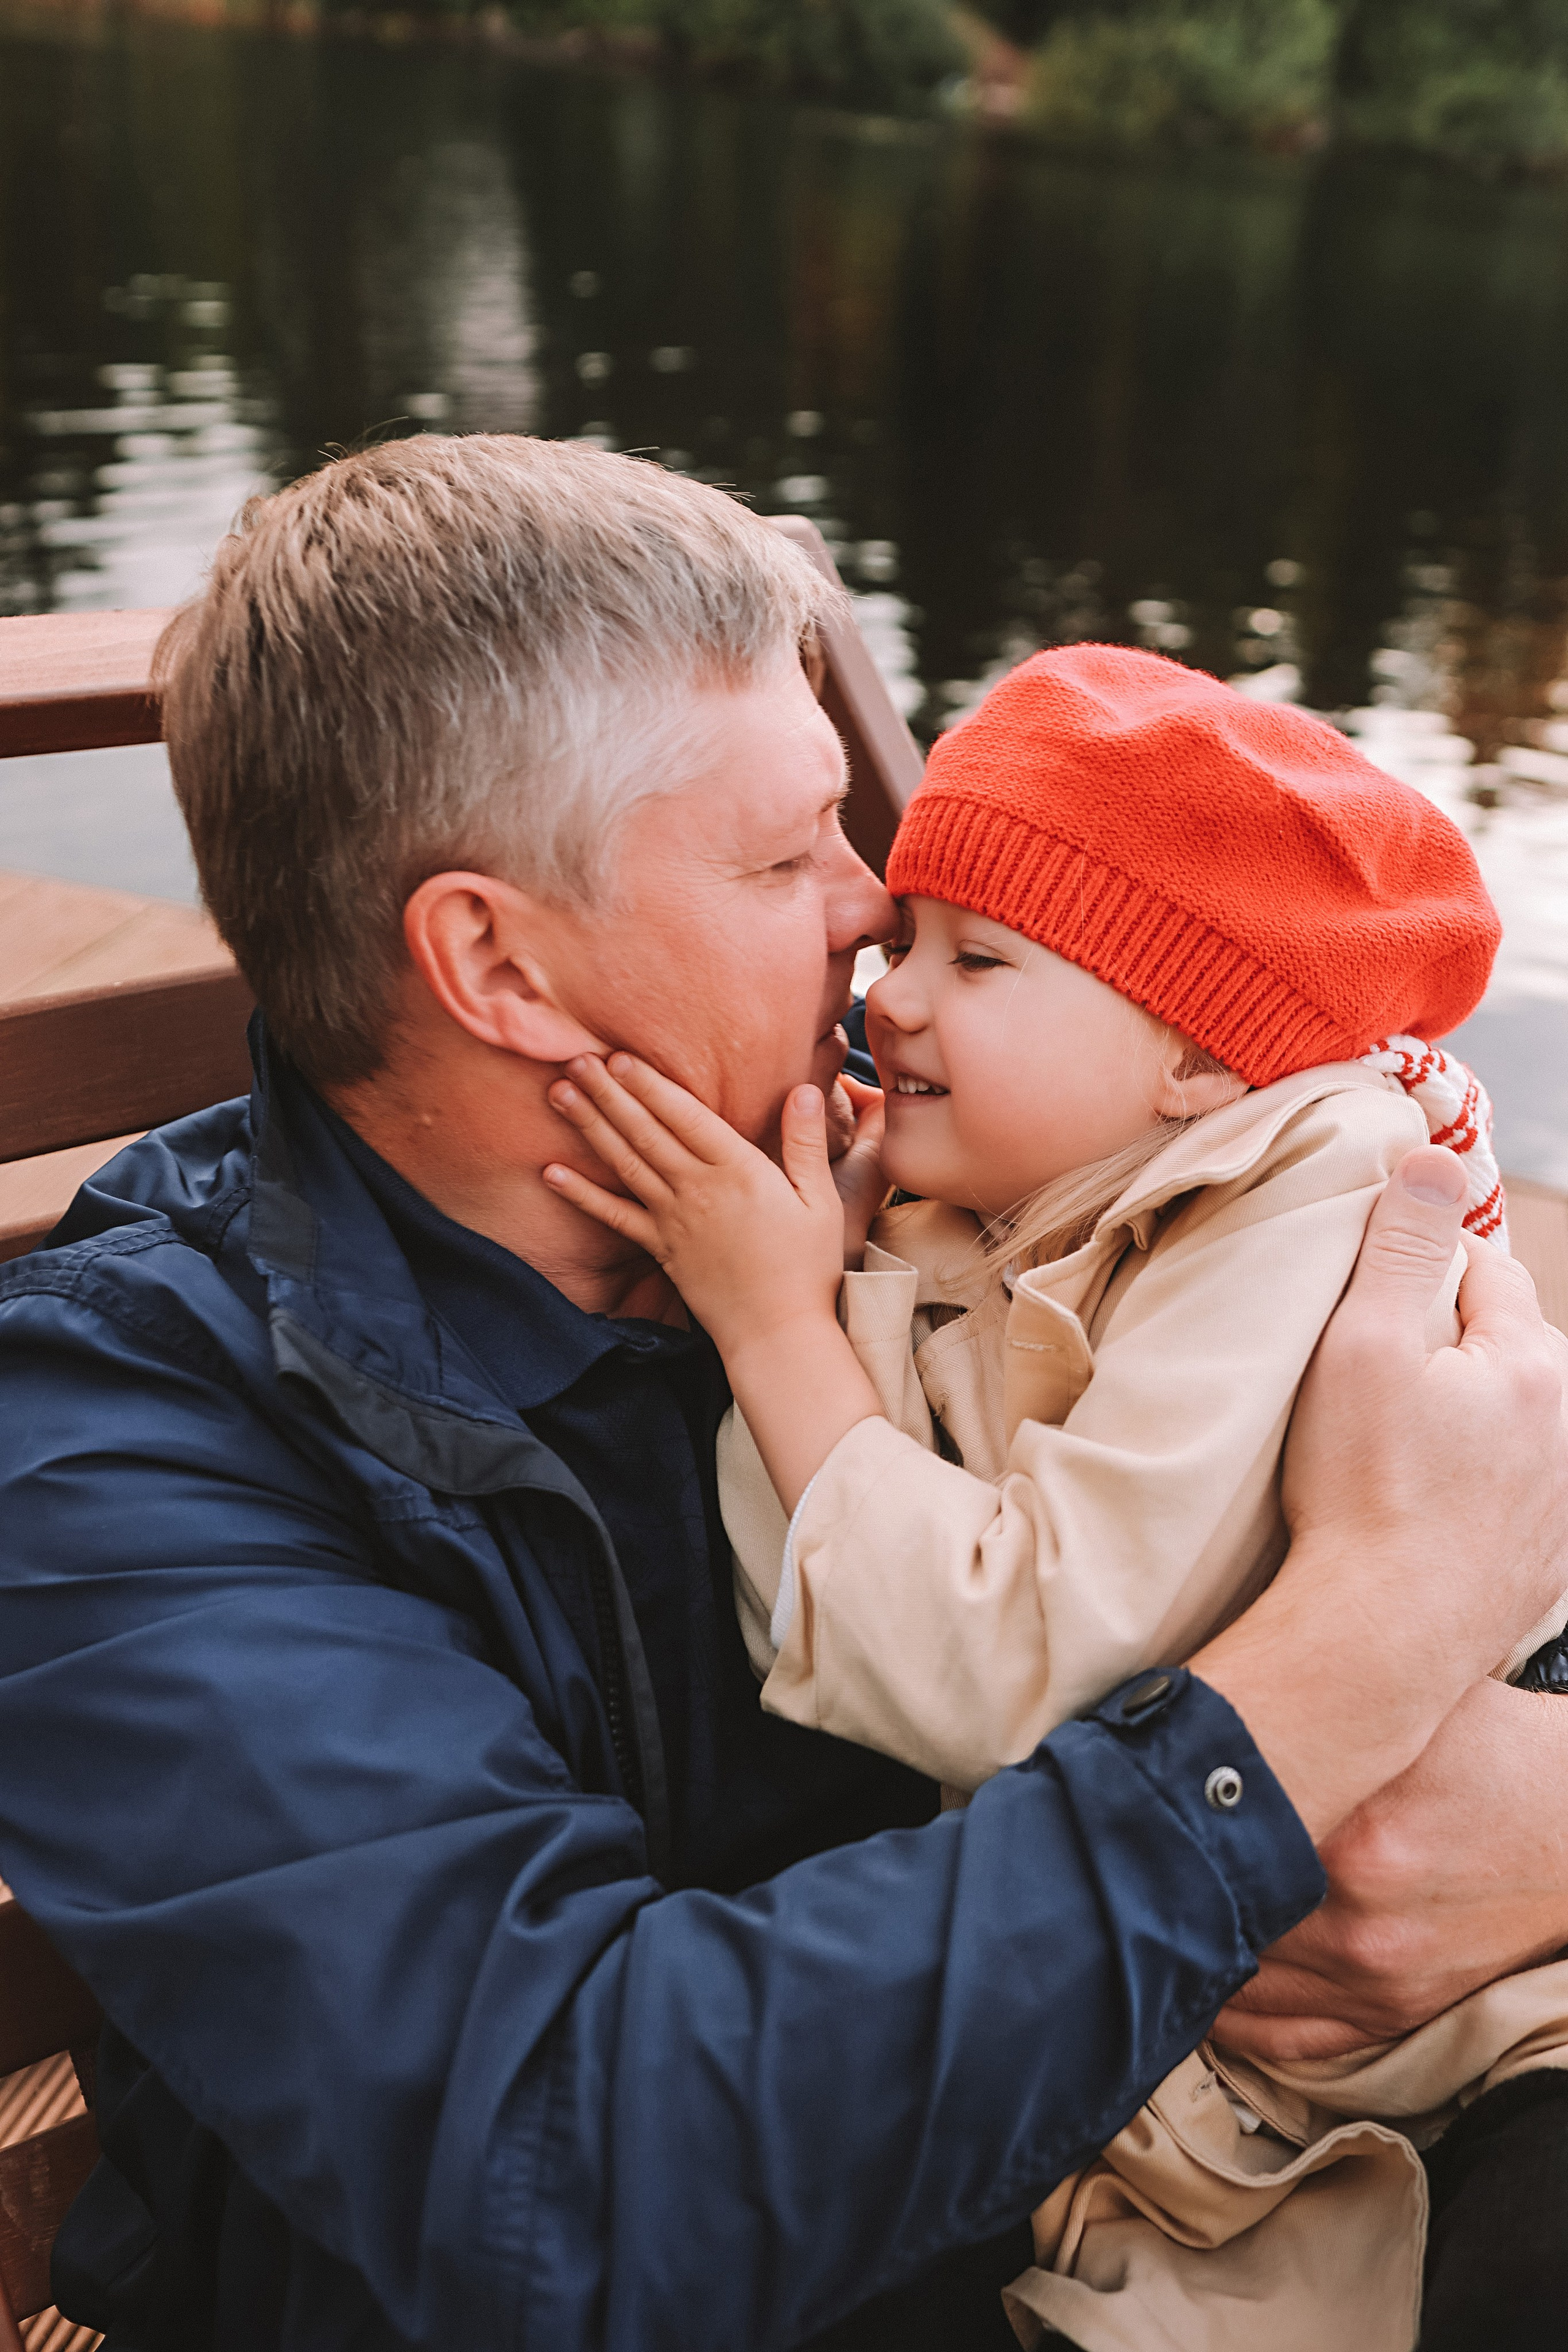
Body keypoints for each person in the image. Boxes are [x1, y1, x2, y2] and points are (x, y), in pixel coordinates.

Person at [0, 435, 1562, 2352]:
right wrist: (1375, 1640)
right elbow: (579, 2178)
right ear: (494, 959)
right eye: (784, 854)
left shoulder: (976, 1202)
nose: (867, 908)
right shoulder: (133, 1440)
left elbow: (1471, 1519)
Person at [541, 643, 1568, 2350]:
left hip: (1500, 2027)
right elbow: (807, 1608)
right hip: (1227, 2054)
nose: (888, 995)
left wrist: (780, 1325)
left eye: (980, 958)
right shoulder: (1015, 1199)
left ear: (1196, 1057)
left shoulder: (1311, 1209)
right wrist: (857, 1276)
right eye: (904, 942)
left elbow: (1024, 1666)